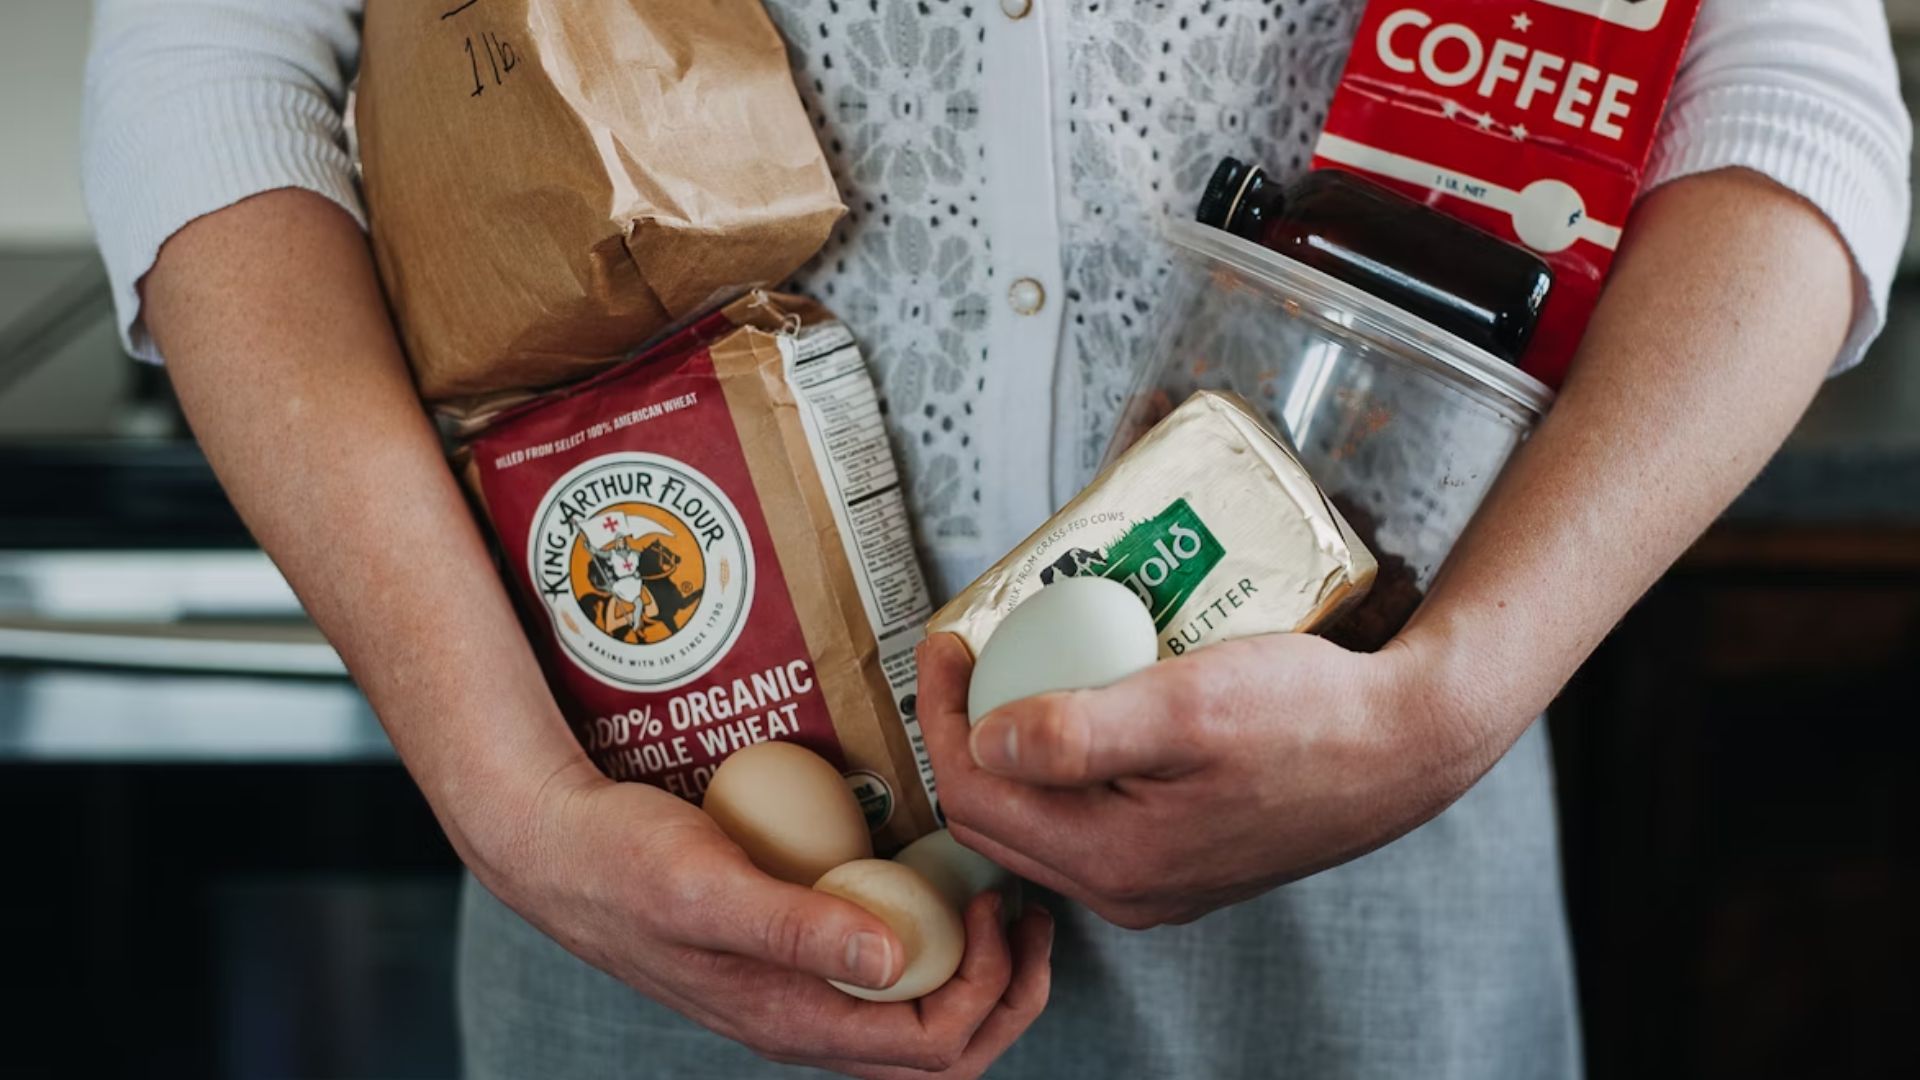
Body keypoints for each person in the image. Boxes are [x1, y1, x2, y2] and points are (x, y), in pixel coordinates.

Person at [82, 0, 1909, 1076]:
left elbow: (1791, 98)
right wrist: (509, 796)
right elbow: (207, 75)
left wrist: (1460, 690)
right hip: (658, 858)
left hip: (1360, 887)